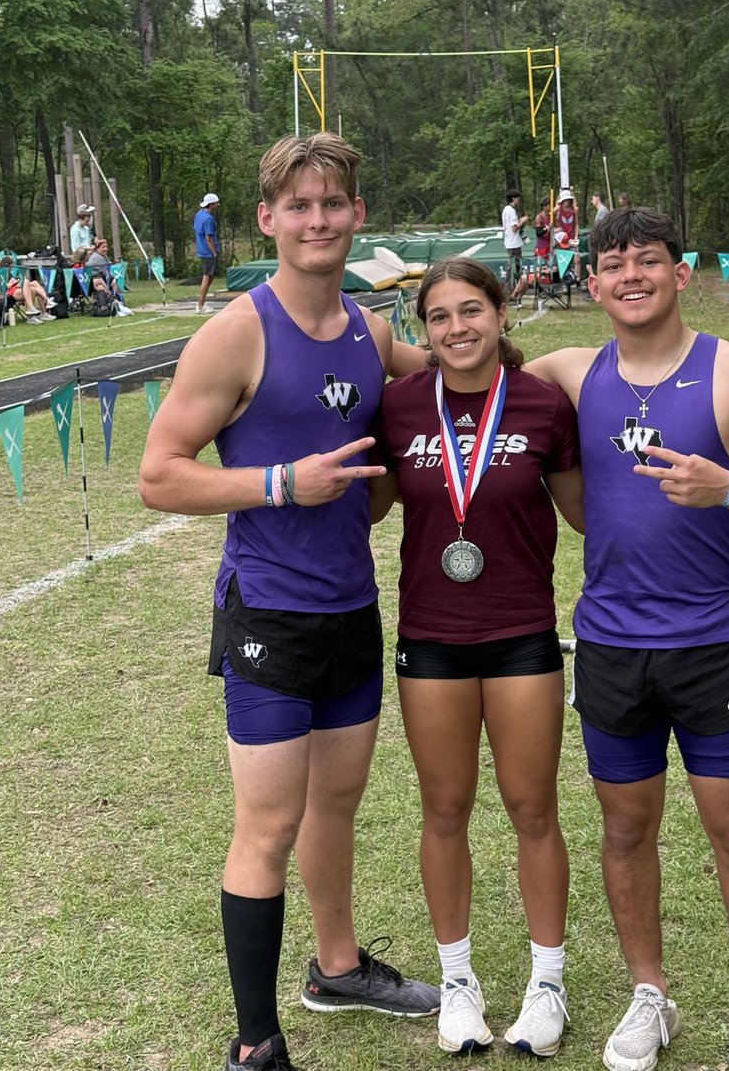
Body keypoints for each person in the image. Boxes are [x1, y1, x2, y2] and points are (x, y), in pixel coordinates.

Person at [139, 132, 439, 1071]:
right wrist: (280, 483)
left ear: (356, 217)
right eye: (298, 206)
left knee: (337, 804)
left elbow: (448, 378)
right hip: (269, 613)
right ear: (268, 221)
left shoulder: (370, 328)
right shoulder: (236, 331)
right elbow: (159, 476)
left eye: (334, 203)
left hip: (352, 607)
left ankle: (337, 968)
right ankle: (255, 1042)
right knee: (266, 824)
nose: (319, 220)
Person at [527, 207, 729, 1071]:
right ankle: (648, 995)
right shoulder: (571, 374)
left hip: (710, 639)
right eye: (611, 265)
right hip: (611, 644)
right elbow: (459, 365)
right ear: (595, 282)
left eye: (646, 261)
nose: (629, 277)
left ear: (681, 273)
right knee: (624, 829)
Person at [371, 257, 584, 1058]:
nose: (457, 328)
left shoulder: (542, 405)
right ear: (423, 331)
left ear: (501, 314)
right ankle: (456, 984)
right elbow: (368, 505)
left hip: (521, 632)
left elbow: (590, 515)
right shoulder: (397, 409)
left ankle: (547, 983)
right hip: (430, 635)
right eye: (439, 317)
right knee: (445, 809)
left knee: (533, 809)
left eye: (472, 311)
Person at [0, 256, 56, 324]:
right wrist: (6, 287)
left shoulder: (5, 273)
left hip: (10, 290)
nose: (11, 269)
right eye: (10, 267)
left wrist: (13, 282)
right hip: (2, 296)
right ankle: (32, 312)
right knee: (29, 286)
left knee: (33, 284)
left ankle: (43, 308)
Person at [86, 238, 133, 316]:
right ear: (97, 248)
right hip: (93, 280)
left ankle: (120, 301)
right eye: (103, 247)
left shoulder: (104, 256)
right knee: (101, 284)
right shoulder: (96, 258)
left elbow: (108, 269)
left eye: (106, 247)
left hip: (103, 276)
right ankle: (110, 302)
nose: (105, 249)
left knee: (114, 282)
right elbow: (104, 270)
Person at [194, 191, 221, 314]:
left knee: (209, 277)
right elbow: (208, 237)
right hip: (208, 252)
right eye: (216, 203)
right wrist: (214, 252)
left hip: (202, 250)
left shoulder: (199, 214)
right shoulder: (208, 219)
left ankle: (201, 303)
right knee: (207, 278)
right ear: (210, 205)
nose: (218, 205)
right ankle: (200, 306)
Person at [501, 190, 527, 294]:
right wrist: (523, 222)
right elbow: (514, 228)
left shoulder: (507, 210)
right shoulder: (511, 210)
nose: (519, 199)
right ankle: (509, 292)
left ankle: (514, 292)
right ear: (513, 198)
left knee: (515, 268)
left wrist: (519, 221)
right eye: (517, 197)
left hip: (511, 242)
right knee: (513, 269)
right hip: (513, 243)